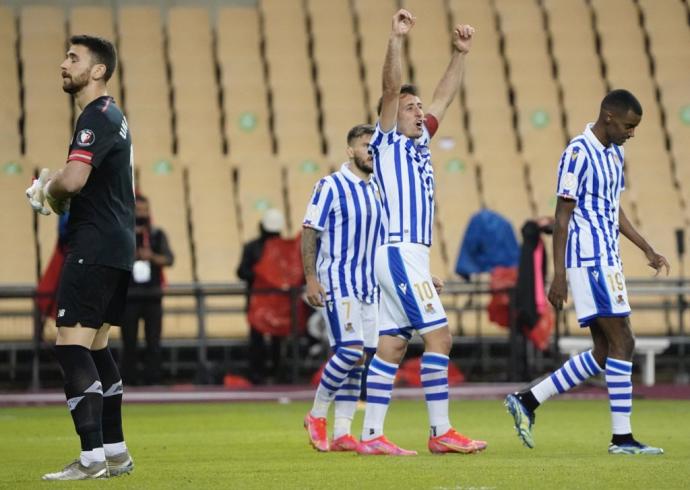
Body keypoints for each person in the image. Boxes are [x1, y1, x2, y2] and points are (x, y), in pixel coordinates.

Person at [505, 89, 669, 455]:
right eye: (628, 125)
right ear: (609, 116)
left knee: (602, 350)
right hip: (588, 258)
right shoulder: (577, 153)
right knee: (623, 341)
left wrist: (645, 247)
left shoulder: (616, 152)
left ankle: (528, 400)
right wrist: (558, 274)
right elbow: (562, 217)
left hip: (608, 257)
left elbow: (613, 208)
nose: (631, 133)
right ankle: (622, 439)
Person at [356, 9, 486, 456]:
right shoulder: (387, 141)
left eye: (417, 108)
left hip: (407, 256)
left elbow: (444, 96)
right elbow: (391, 88)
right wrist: (396, 38)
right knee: (440, 338)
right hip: (399, 253)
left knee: (392, 347)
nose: (418, 112)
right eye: (409, 108)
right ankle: (440, 432)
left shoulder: (421, 141)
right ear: (391, 116)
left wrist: (459, 54)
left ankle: (371, 436)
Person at [25, 35, 135, 480]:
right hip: (117, 245)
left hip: (94, 246)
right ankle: (116, 452)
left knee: (70, 348)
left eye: (74, 58)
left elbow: (72, 180)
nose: (63, 64)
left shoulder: (95, 115)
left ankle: (91, 459)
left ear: (99, 71)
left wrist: (46, 190)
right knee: (98, 347)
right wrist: (62, 191)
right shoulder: (114, 116)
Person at [302, 124, 382, 452]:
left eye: (374, 147)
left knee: (361, 357)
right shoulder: (330, 186)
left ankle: (342, 432)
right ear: (350, 150)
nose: (370, 152)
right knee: (349, 350)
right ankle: (317, 414)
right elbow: (310, 231)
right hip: (339, 280)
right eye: (365, 146)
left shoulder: (380, 188)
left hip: (370, 285)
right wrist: (310, 277)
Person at [121, 194, 174, 385]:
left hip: (152, 296)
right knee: (129, 342)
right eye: (138, 210)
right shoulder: (123, 233)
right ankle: (128, 381)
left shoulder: (157, 235)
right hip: (129, 296)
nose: (142, 214)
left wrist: (151, 256)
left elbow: (168, 259)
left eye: (145, 210)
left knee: (154, 342)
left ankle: (153, 379)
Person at [237, 208, 285, 384]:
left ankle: (277, 373)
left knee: (277, 340)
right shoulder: (252, 248)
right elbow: (242, 271)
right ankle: (256, 375)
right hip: (258, 301)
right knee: (256, 339)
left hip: (279, 304)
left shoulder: (283, 249)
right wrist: (260, 275)